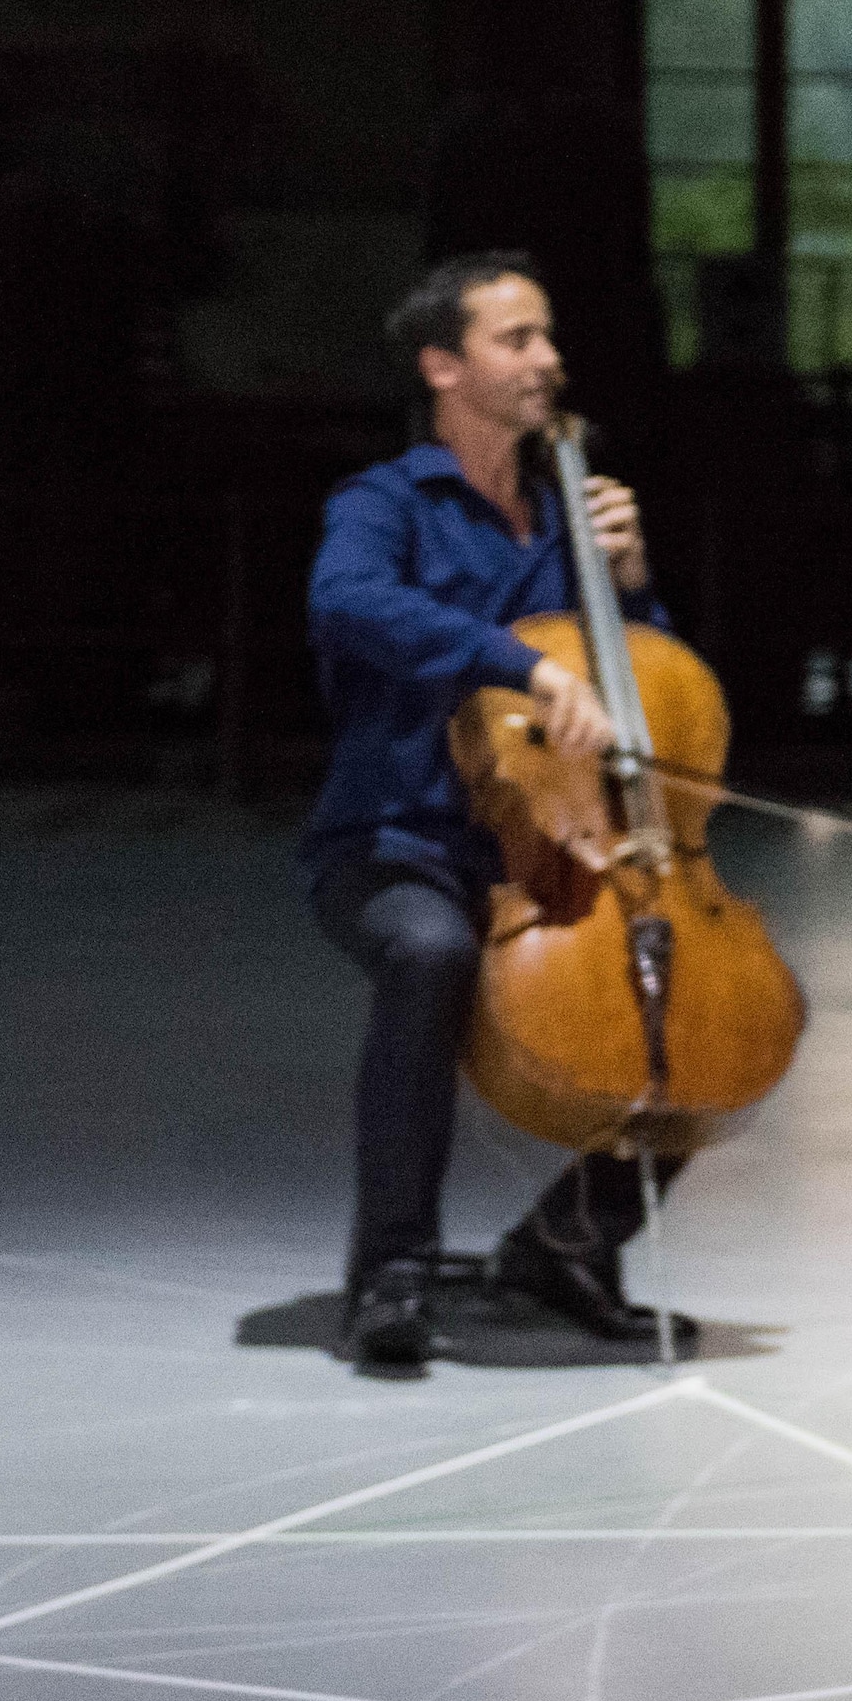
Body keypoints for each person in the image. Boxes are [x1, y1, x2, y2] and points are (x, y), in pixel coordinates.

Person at [299, 257, 700, 1376]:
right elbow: (348, 601)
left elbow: (643, 688)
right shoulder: (381, 505)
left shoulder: (574, 510)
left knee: (686, 991)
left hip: (562, 848)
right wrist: (515, 663)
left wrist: (626, 583)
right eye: (516, 339)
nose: (548, 360)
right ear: (444, 365)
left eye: (548, 337)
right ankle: (392, 1269)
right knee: (428, 957)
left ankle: (567, 1246)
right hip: (397, 842)